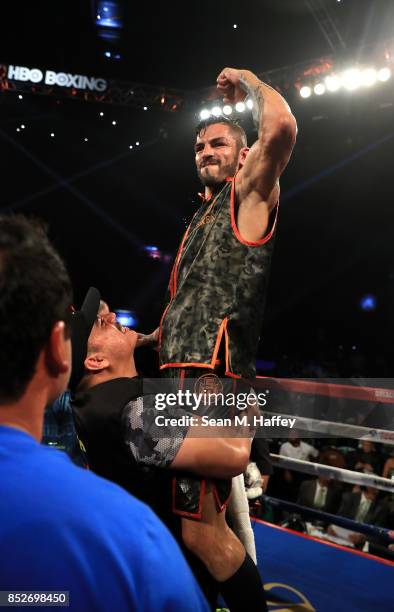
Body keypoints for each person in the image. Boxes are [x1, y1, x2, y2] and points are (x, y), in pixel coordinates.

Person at [139, 66, 297, 611]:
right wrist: (136, 341)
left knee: (202, 534)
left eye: (219, 143)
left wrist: (251, 81)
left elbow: (283, 129)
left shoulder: (248, 194)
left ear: (245, 152)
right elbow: (184, 314)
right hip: (182, 377)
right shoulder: (199, 221)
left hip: (213, 381)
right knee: (214, 526)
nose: (206, 150)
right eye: (201, 145)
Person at [0, 214, 208, 612]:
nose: (113, 319)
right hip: (153, 552)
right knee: (220, 548)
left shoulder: (119, 396)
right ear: (61, 354)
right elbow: (229, 452)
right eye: (99, 323)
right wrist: (240, 386)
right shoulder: (128, 534)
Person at [72, 309, 258, 607]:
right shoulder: (137, 416)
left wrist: (146, 339)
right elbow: (235, 455)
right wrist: (247, 404)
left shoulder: (89, 399)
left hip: (132, 561)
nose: (109, 316)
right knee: (214, 538)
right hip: (173, 579)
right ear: (96, 361)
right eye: (99, 324)